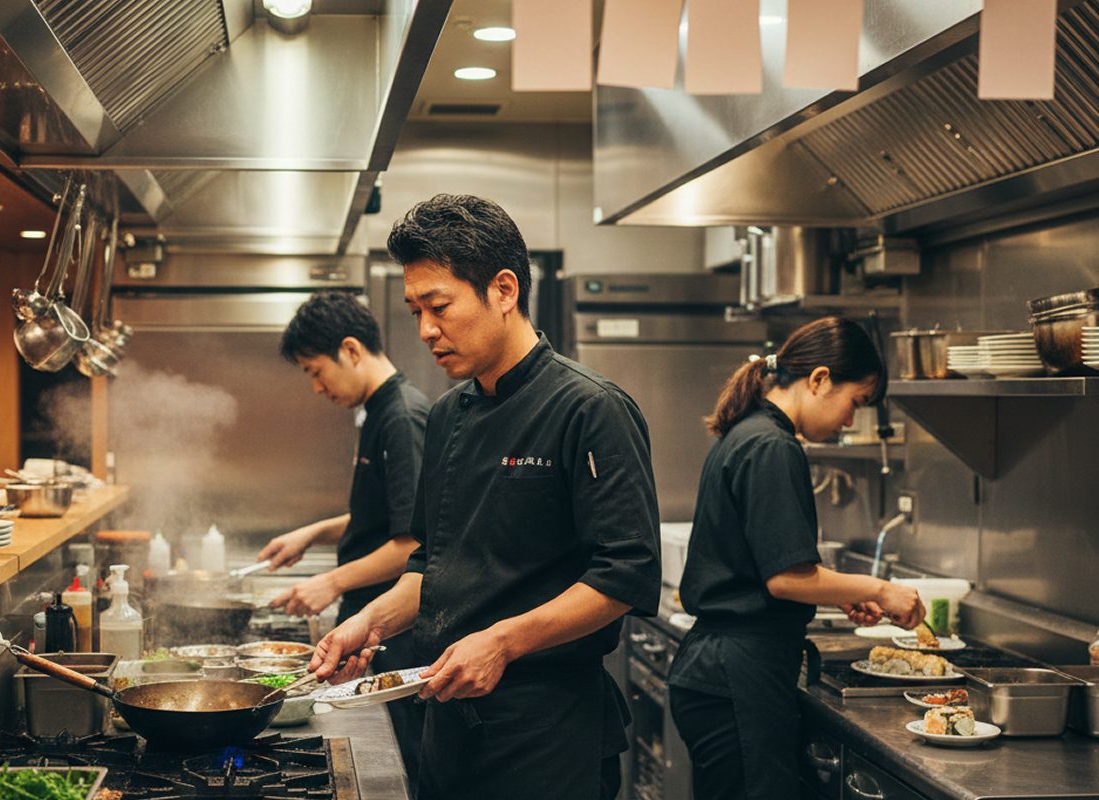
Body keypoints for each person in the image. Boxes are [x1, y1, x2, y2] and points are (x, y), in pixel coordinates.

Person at [305, 194, 662, 800]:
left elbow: (626, 575)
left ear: (503, 290)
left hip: (547, 733)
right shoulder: (449, 415)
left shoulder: (589, 408)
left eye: (439, 306)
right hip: (448, 724)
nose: (426, 330)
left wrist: (502, 641)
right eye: (415, 310)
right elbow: (433, 564)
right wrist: (367, 623)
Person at [666, 317, 926, 800]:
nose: (849, 421)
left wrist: (838, 592)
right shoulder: (772, 446)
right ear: (820, 379)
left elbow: (771, 567)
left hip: (724, 669)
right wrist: (880, 589)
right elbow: (786, 579)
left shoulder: (751, 432)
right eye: (856, 403)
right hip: (739, 673)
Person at [257, 290, 430, 788]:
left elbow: (412, 544)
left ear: (351, 350)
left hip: (394, 632)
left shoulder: (402, 417)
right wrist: (313, 532)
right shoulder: (380, 411)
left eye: (315, 371)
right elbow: (384, 515)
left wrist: (330, 582)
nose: (316, 387)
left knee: (402, 768)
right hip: (374, 629)